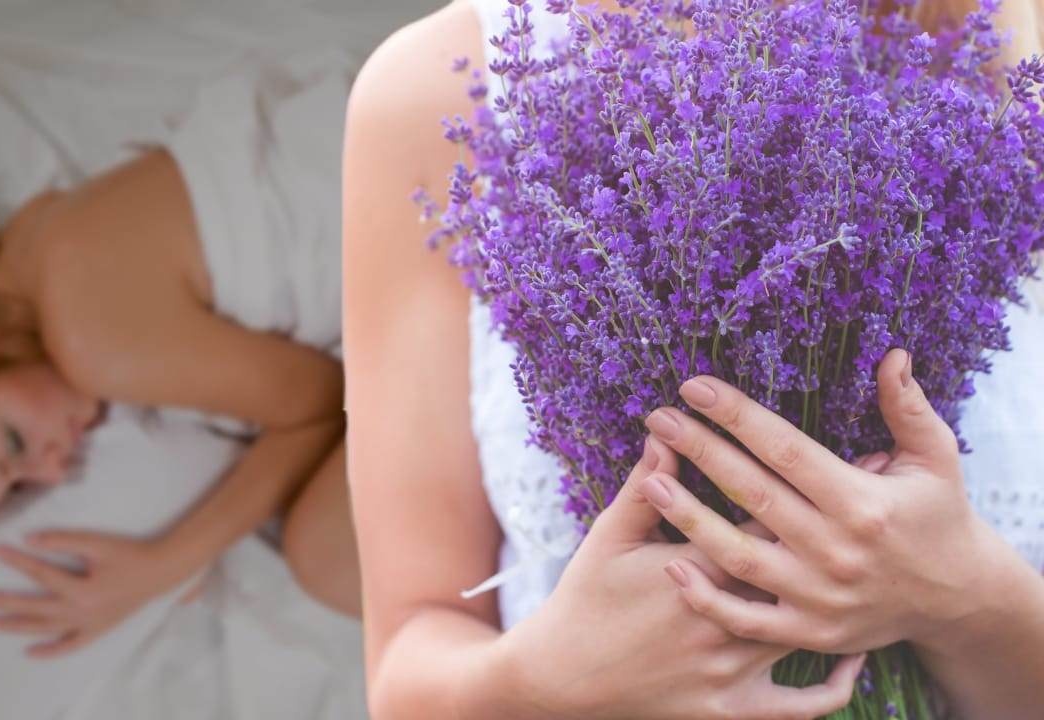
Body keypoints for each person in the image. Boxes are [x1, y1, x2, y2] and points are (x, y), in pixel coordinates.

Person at [342, 0, 1044, 717]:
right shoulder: (433, 88)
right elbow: (406, 665)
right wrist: (544, 681)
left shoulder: (1012, 57)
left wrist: (969, 601)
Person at [0, 146, 360, 659]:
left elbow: (320, 401)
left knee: (326, 556)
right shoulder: (34, 233)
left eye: (14, 445)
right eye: (22, 487)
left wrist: (161, 565)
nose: (54, 468)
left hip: (439, 219)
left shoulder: (90, 342)